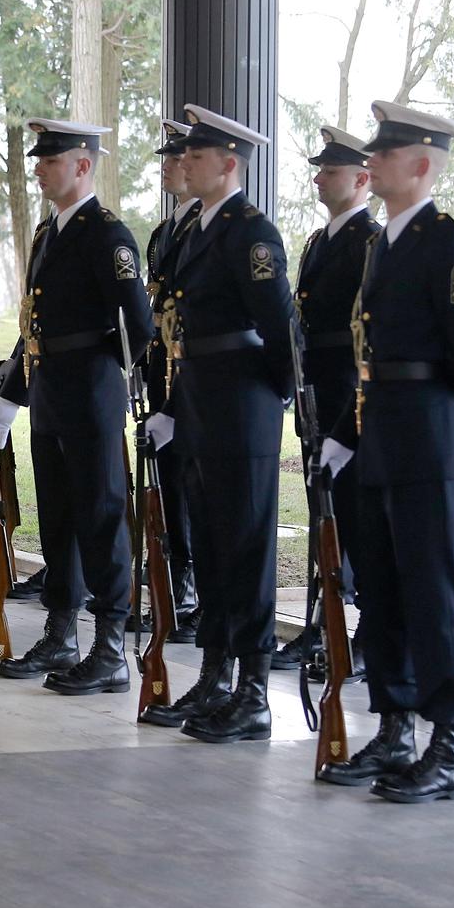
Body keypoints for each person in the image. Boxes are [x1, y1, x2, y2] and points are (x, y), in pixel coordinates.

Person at [318, 102, 454, 801]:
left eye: (384, 155)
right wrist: (345, 431)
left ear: (421, 165)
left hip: (428, 435)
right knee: (382, 586)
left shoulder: (448, 244)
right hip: (380, 430)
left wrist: (420, 409)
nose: (371, 164)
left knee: (434, 590)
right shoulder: (380, 242)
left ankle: (447, 742)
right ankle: (394, 728)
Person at [141, 105, 292, 741]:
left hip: (242, 402)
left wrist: (278, 399)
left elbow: (279, 326)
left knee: (246, 545)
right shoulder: (195, 229)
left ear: (229, 164)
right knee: (208, 539)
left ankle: (253, 687)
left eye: (197, 156)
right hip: (201, 397)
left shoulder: (250, 232)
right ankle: (215, 672)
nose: (185, 163)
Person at [0, 119, 153, 691]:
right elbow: (32, 322)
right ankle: (62, 632)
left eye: (50, 159)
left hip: (90, 390)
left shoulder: (109, 235)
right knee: (56, 516)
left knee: (102, 516)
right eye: (39, 159)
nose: (38, 167)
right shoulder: (47, 234)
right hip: (52, 389)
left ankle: (109, 644)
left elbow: (139, 326)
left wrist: (98, 368)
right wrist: (12, 395)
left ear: (83, 166)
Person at [271, 126, 379, 673]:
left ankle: (367, 633)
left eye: (329, 171)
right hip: (314, 387)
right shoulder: (319, 241)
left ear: (362, 179)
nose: (317, 178)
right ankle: (323, 620)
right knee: (323, 515)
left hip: (348, 394)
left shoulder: (371, 242)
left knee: (357, 516)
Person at [141, 120, 203, 641]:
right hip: (161, 372)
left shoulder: (206, 225)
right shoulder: (164, 233)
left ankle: (191, 584)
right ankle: (175, 577)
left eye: (175, 156)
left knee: (190, 482)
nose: (165, 164)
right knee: (169, 482)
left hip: (192, 376)